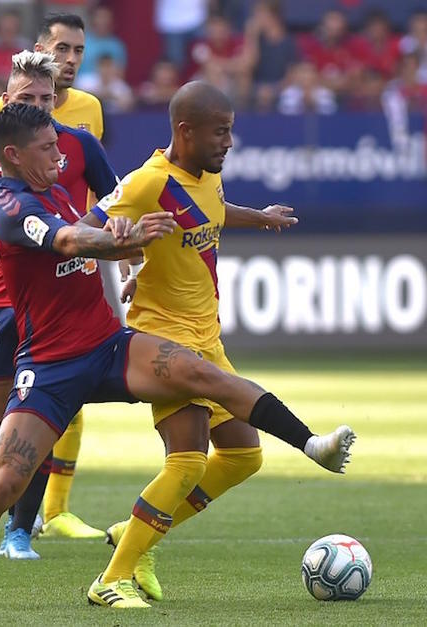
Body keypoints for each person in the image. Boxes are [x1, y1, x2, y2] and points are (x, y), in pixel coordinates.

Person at [0, 102, 356, 609]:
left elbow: (97, 227)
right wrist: (120, 239)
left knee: (201, 373)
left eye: (59, 142)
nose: (61, 153)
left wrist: (123, 245)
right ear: (13, 155)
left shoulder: (56, 187)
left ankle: (310, 444)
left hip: (108, 346)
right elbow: (68, 239)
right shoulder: (11, 208)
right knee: (2, 486)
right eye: (48, 147)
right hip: (50, 368)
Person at [83, 79, 307, 604]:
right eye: (221, 132)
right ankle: (111, 580)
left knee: (242, 457)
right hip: (164, 341)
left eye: (231, 131)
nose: (229, 142)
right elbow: (82, 230)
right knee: (186, 462)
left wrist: (261, 219)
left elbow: (214, 212)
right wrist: (122, 244)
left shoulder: (207, 174)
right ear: (185, 131)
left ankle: (136, 533)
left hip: (208, 339)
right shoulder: (146, 182)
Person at [0, 51, 120, 559]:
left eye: (48, 98)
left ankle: (20, 529)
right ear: (6, 101)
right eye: (29, 99)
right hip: (6, 299)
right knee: (1, 413)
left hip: (63, 299)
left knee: (46, 414)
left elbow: (121, 199)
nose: (41, 107)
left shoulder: (79, 144)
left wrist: (125, 259)